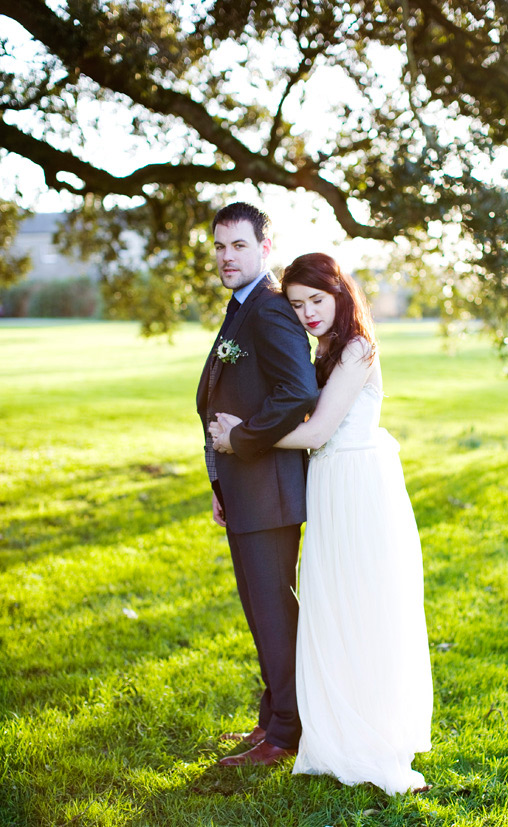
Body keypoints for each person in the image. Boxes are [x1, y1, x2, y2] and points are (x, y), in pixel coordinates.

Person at [211, 253, 433, 795]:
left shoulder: (358, 348)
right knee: (331, 605)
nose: (308, 313)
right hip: (331, 486)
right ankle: (331, 727)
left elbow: (317, 432)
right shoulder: (326, 347)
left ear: (341, 294)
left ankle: (371, 738)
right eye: (297, 304)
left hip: (359, 484)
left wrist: (239, 437)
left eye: (317, 300)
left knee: (362, 604)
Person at [196, 204, 319, 767]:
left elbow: (297, 393)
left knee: (273, 611)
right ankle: (272, 718)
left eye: (238, 246)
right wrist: (222, 484)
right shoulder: (241, 306)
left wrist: (240, 440)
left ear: (264, 250)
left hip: (269, 492)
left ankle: (287, 734)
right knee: (258, 608)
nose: (226, 256)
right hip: (244, 490)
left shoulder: (269, 310)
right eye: (220, 246)